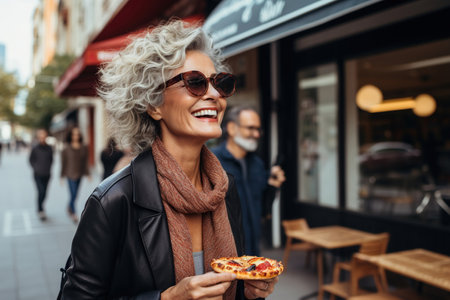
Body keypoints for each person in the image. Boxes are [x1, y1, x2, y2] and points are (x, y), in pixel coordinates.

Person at [60, 20, 278, 300]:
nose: (214, 95)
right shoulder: (113, 201)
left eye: (219, 83)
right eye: (195, 83)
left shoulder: (225, 187)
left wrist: (246, 291)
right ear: (153, 104)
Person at [212, 105, 286, 256]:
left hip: (253, 248)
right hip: (223, 253)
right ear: (232, 128)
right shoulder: (213, 162)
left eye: (258, 129)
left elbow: (264, 211)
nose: (257, 134)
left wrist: (272, 186)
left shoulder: (257, 164)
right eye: (251, 128)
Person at [60, 127, 90, 223]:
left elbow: (85, 162)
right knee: (73, 194)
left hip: (80, 174)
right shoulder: (66, 149)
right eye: (74, 134)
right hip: (70, 174)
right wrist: (61, 176)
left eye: (77, 134)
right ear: (71, 136)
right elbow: (63, 163)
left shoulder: (83, 148)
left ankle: (69, 207)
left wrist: (88, 174)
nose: (76, 136)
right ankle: (74, 213)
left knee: (75, 195)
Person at [29, 129, 53, 221]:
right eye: (41, 136)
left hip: (47, 174)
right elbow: (30, 160)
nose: (42, 138)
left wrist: (48, 168)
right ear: (38, 137)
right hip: (37, 174)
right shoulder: (35, 148)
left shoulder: (49, 148)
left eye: (44, 136)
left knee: (45, 193)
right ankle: (40, 209)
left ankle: (41, 207)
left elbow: (51, 159)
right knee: (41, 191)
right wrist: (36, 168)